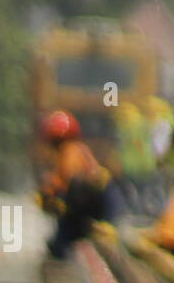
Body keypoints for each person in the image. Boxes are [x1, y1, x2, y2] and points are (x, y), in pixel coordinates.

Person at [35, 109, 121, 258]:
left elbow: (73, 184)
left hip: (94, 205)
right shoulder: (72, 152)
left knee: (62, 245)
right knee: (58, 245)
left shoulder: (71, 152)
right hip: (90, 205)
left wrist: (56, 199)